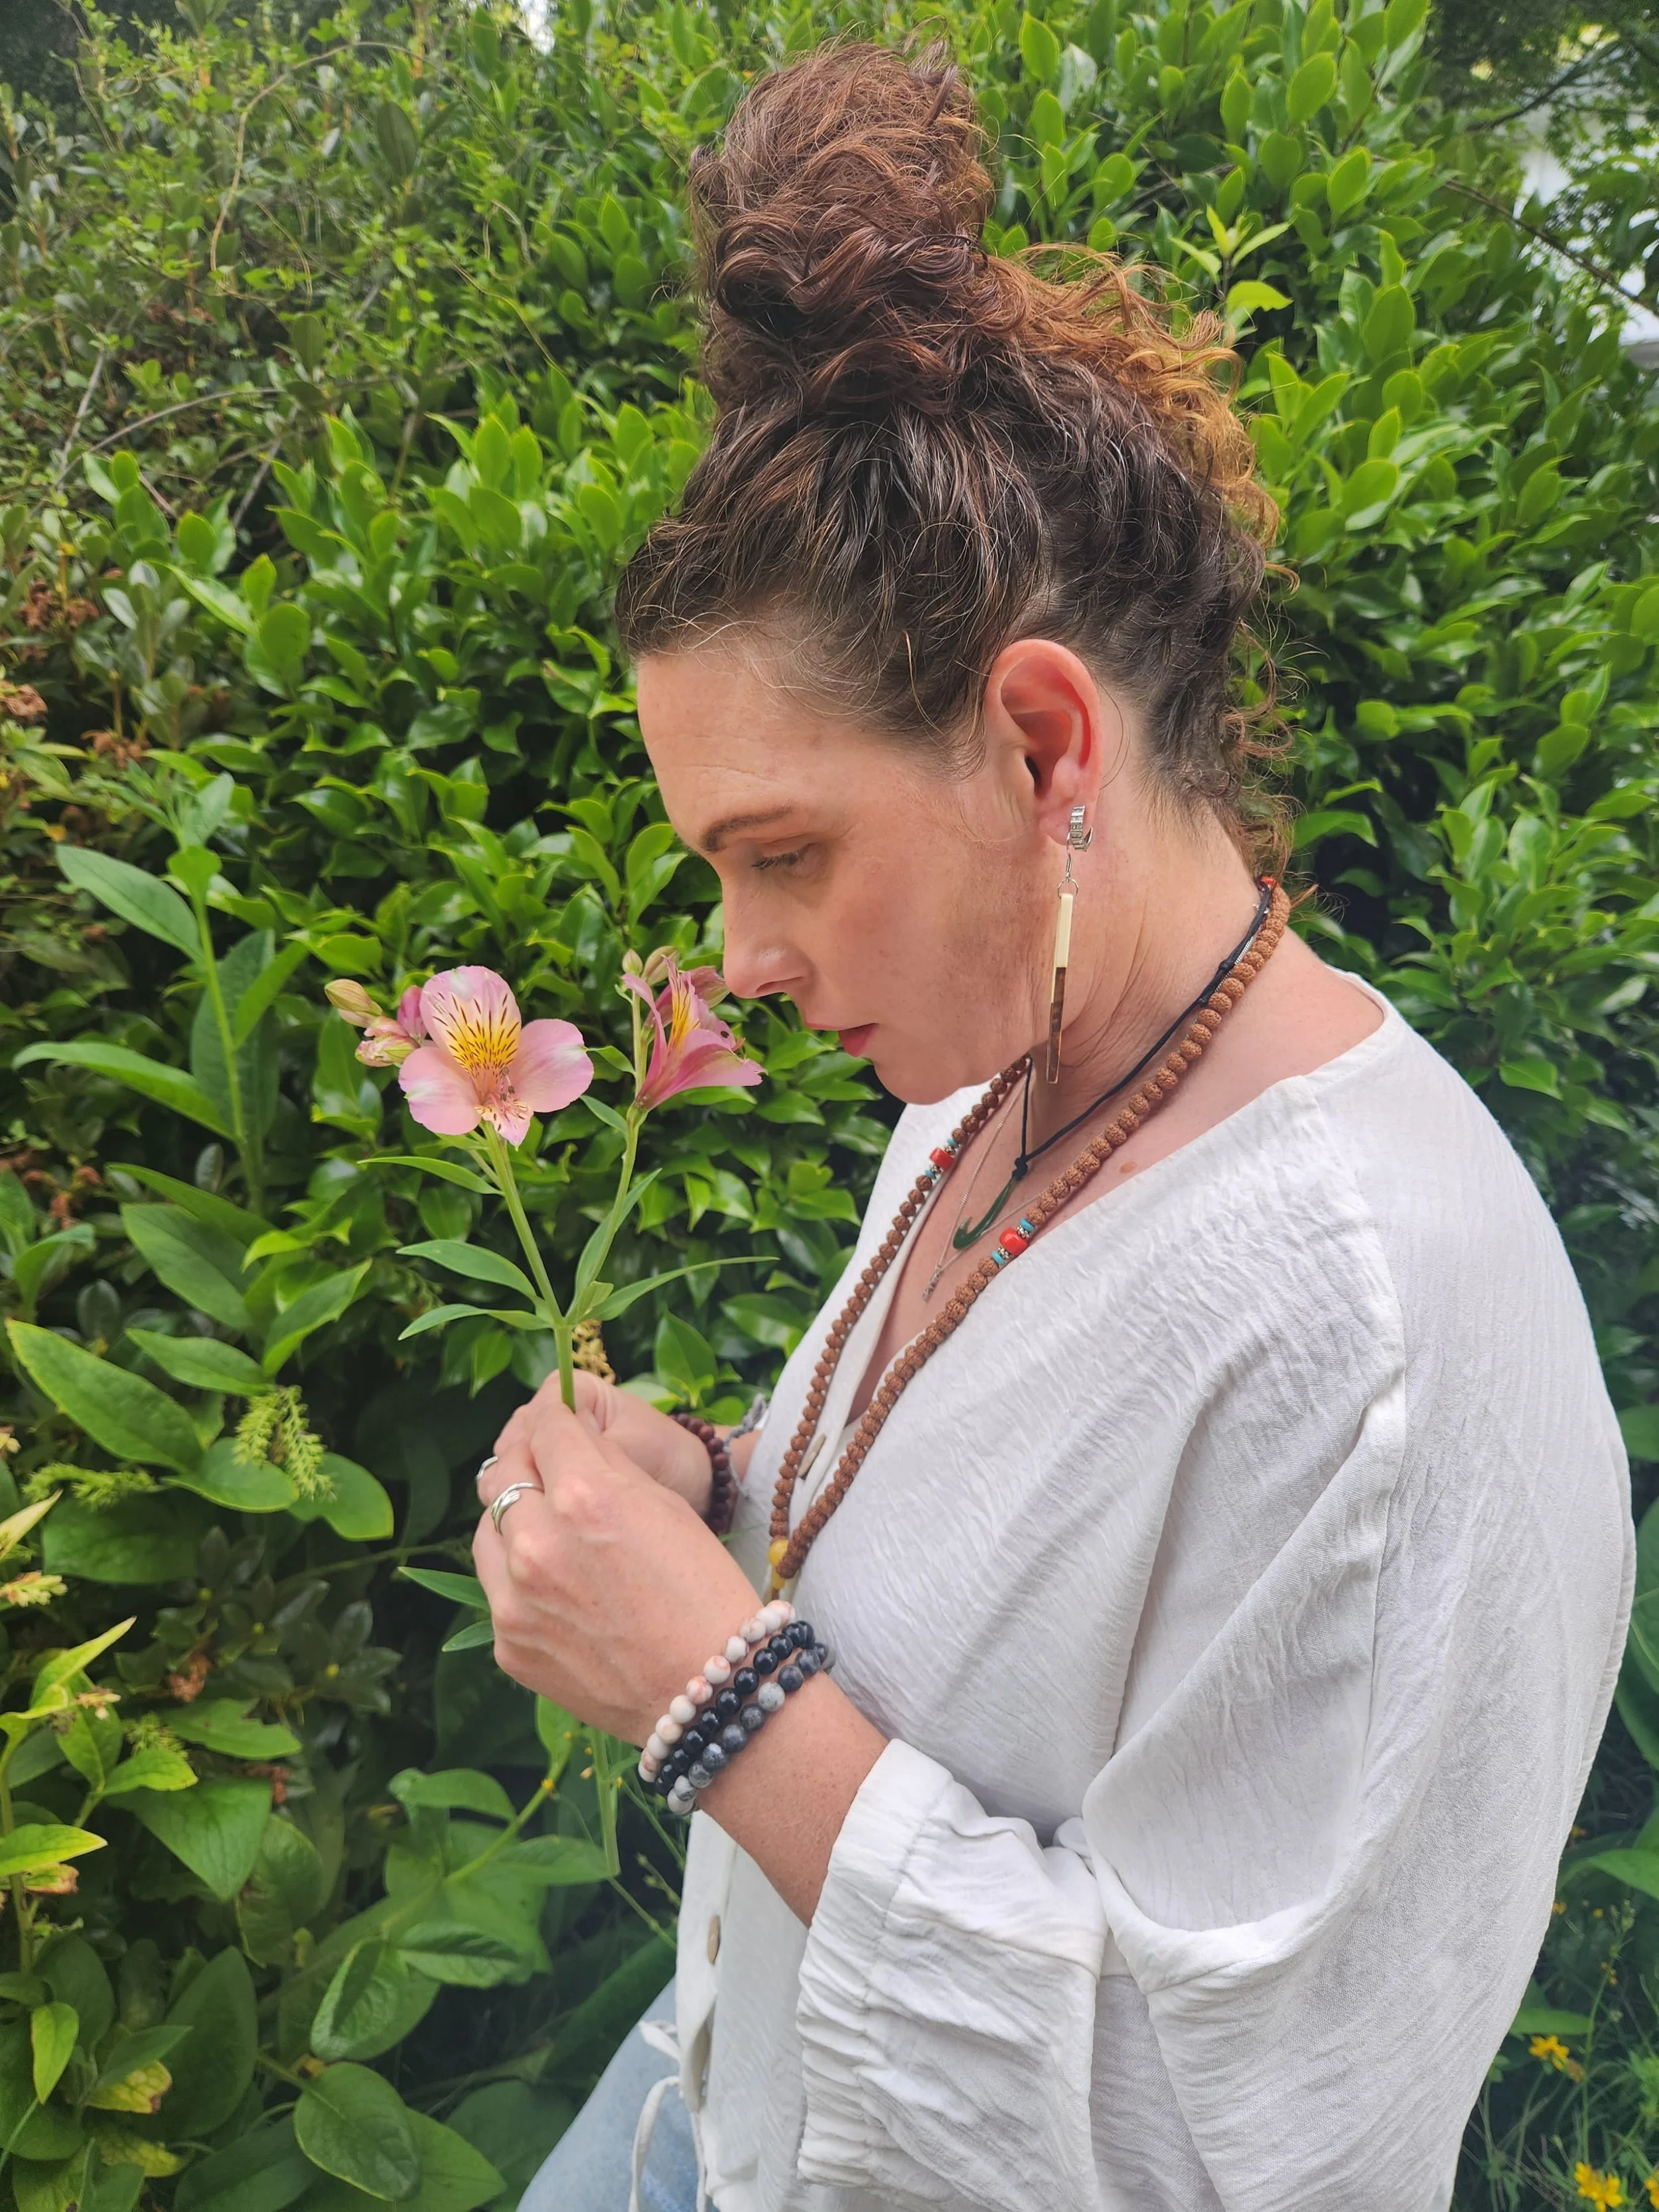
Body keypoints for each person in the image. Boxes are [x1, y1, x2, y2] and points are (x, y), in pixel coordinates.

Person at [480, 39, 1633, 2212]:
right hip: (707, 2101)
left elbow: (1237, 2154)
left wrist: (706, 1689)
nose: (732, 954)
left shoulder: (1382, 1345)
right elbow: (989, 1570)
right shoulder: (1004, 1076)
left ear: (1037, 742)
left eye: (783, 852)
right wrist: (712, 1495)